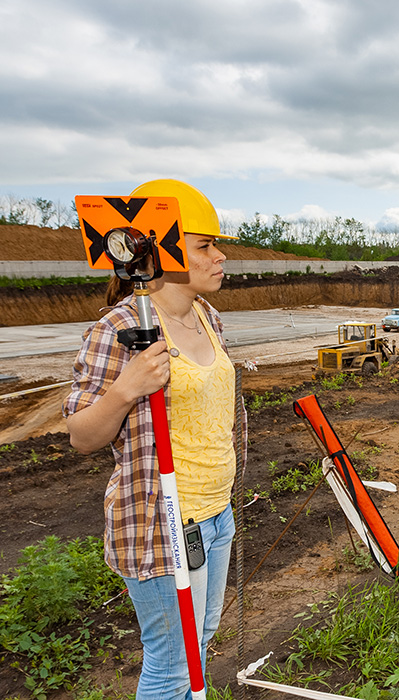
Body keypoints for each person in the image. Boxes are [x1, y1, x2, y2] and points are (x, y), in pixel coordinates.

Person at [63, 179, 245, 699]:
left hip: (216, 514)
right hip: (164, 522)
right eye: (205, 246)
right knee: (172, 664)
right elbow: (81, 435)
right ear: (161, 250)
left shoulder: (208, 318)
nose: (220, 256)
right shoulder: (123, 328)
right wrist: (126, 390)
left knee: (200, 644)